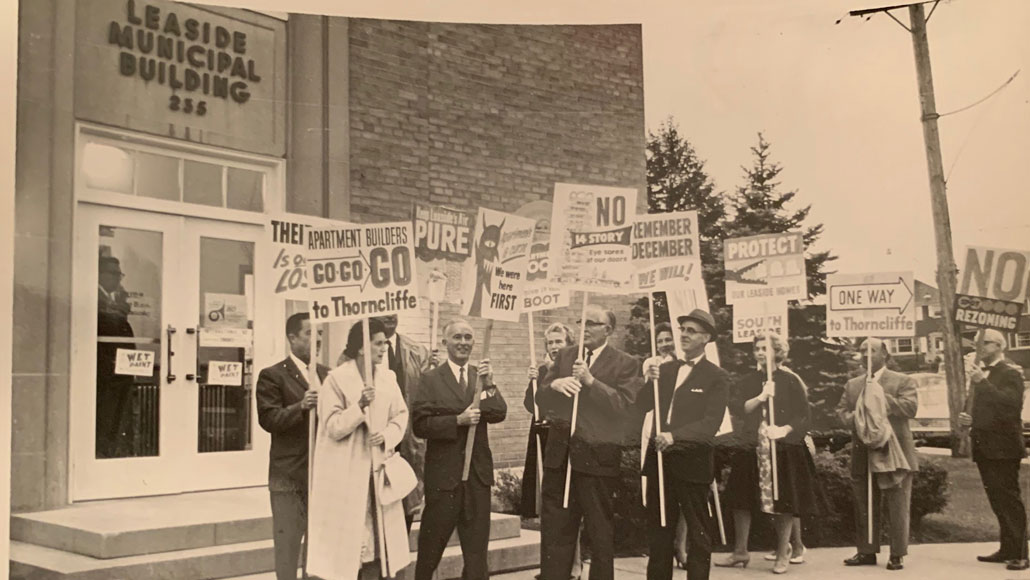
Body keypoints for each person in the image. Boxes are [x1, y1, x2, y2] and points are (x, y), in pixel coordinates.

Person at [537, 305, 642, 580]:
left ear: (608, 329)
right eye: (581, 322)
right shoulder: (565, 356)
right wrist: (555, 385)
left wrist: (591, 381)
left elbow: (626, 407)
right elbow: (541, 398)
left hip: (597, 461)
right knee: (555, 534)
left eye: (593, 323)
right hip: (560, 459)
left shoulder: (625, 362)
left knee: (600, 534)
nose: (585, 328)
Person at [307, 318, 410, 580]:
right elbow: (332, 426)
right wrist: (360, 406)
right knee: (351, 544)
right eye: (378, 343)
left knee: (379, 542)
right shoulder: (336, 380)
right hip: (347, 471)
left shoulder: (388, 378)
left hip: (378, 469)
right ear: (362, 347)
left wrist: (387, 435)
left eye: (385, 342)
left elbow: (400, 415)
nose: (384, 347)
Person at [715, 333, 821, 574]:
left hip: (781, 446)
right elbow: (738, 408)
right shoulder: (749, 379)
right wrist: (761, 397)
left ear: (777, 351)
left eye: (766, 348)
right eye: (757, 348)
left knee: (783, 499)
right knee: (740, 498)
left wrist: (784, 429)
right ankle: (740, 551)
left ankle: (783, 553)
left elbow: (803, 416)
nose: (761, 352)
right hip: (752, 443)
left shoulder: (790, 380)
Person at [413, 319, 508, 580]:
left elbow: (499, 412)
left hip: (476, 479)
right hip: (445, 479)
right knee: (430, 550)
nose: (463, 342)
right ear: (445, 343)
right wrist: (457, 421)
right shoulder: (431, 379)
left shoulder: (480, 378)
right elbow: (420, 425)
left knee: (477, 555)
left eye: (468, 337)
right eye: (457, 337)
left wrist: (490, 384)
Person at [638, 309, 728, 580]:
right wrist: (648, 381)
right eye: (683, 330)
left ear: (706, 338)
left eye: (691, 331)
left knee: (699, 534)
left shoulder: (716, 376)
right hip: (660, 463)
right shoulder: (665, 369)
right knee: (659, 532)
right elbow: (642, 405)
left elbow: (710, 424)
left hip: (693, 465)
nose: (684, 335)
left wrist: (675, 436)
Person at [256, 312, 328, 580]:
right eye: (310, 333)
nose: (317, 339)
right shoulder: (273, 375)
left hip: (321, 475)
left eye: (320, 333)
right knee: (287, 549)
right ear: (292, 338)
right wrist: (302, 406)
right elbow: (269, 419)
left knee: (317, 550)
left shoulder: (326, 373)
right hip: (289, 476)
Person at [836, 338, 918, 571]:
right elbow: (841, 412)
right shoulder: (853, 384)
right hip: (863, 451)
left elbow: (910, 408)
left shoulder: (903, 380)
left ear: (885, 353)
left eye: (871, 350)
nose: (865, 355)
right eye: (862, 350)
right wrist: (860, 418)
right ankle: (866, 551)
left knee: (897, 503)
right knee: (864, 502)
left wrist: (879, 398)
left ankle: (897, 554)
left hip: (895, 452)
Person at [959, 329, 1029, 571]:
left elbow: (1009, 406)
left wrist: (983, 382)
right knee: (997, 500)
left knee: (1009, 500)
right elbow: (981, 406)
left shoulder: (1011, 372)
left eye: (985, 344)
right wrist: (968, 417)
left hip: (1005, 447)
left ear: (1000, 346)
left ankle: (1021, 553)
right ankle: (1007, 549)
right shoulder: (980, 374)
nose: (980, 349)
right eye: (977, 344)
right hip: (985, 446)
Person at [524, 322, 585, 580]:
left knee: (569, 504)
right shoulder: (541, 369)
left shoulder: (575, 369)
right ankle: (551, 567)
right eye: (550, 343)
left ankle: (576, 564)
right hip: (544, 439)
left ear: (568, 344)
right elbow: (531, 404)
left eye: (559, 342)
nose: (554, 347)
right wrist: (534, 382)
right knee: (550, 510)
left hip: (568, 439)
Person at [371, 313, 437, 532]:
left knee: (407, 494)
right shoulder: (360, 351)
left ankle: (401, 548)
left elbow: (427, 393)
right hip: (376, 436)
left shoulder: (417, 351)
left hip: (408, 437)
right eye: (384, 308)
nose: (390, 315)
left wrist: (432, 373)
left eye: (394, 309)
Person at [96, 256, 135, 458]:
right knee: (105, 418)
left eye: (119, 274)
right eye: (113, 274)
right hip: (106, 373)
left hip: (119, 372)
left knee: (115, 419)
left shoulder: (114, 299)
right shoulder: (98, 299)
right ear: (99, 274)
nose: (118, 279)